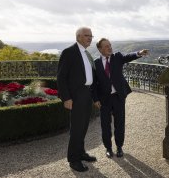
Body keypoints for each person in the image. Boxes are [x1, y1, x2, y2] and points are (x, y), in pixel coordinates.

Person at [94, 38, 149, 158]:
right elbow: (94, 84)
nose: (109, 47)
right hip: (104, 99)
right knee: (105, 125)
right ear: (100, 49)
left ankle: (119, 147)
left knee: (119, 123)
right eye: (106, 46)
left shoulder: (117, 57)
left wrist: (138, 53)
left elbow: (128, 56)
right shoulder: (96, 63)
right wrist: (95, 99)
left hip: (118, 97)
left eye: (110, 45)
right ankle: (108, 148)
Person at [57, 27, 99, 172]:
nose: (90, 38)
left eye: (91, 36)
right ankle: (73, 159)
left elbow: (90, 76)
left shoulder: (86, 54)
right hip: (76, 97)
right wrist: (66, 98)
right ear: (78, 37)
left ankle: (81, 153)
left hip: (87, 95)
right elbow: (61, 77)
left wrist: (94, 97)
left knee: (84, 127)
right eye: (87, 35)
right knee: (76, 129)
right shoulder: (69, 52)